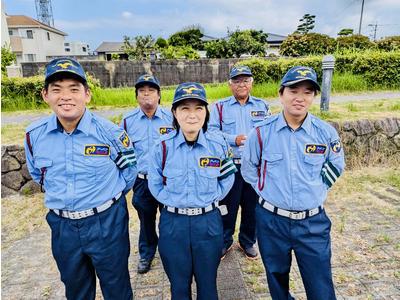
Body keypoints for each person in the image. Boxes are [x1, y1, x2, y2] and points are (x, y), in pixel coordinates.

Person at [24, 57, 137, 300]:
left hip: (107, 222)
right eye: (56, 89)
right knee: (76, 290)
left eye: (74, 89)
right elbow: (38, 175)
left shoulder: (111, 133)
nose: (65, 96)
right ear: (45, 95)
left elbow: (129, 174)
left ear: (87, 94)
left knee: (117, 287)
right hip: (63, 227)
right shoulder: (34, 136)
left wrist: (106, 200)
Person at [241, 66, 345, 299]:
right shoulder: (261, 132)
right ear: (281, 94)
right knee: (276, 280)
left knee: (321, 287)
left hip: (312, 224)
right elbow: (249, 169)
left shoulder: (325, 133)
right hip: (271, 222)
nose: (300, 98)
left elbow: (336, 164)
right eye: (293, 90)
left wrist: (315, 188)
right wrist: (267, 190)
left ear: (313, 97)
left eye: (308, 92)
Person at [148, 82, 236, 300]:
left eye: (198, 108)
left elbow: (227, 178)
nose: (192, 115)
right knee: (179, 286)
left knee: (208, 286)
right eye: (184, 108)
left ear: (206, 112)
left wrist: (209, 200)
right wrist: (174, 202)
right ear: (175, 113)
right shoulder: (162, 146)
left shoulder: (218, 145)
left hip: (208, 224)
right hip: (173, 224)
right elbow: (155, 184)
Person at [209, 65, 270, 259]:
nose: (241, 84)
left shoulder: (262, 106)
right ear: (230, 84)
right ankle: (225, 241)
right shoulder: (219, 107)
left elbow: (268, 133)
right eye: (237, 81)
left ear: (251, 83)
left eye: (245, 80)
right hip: (231, 166)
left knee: (252, 207)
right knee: (228, 206)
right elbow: (210, 132)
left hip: (254, 166)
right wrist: (232, 139)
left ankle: (247, 241)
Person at [121, 74, 173, 274]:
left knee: (169, 219)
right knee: (146, 219)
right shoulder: (128, 122)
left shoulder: (172, 117)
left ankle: (170, 252)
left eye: (151, 90)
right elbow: (123, 152)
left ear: (159, 95)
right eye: (142, 91)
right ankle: (147, 252)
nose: (146, 94)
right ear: (136, 97)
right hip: (142, 181)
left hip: (167, 181)